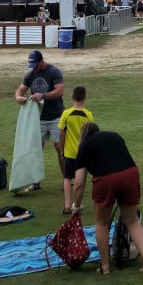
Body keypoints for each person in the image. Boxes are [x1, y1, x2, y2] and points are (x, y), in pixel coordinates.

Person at [70, 121, 143, 275]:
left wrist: (76, 206)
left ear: (83, 135)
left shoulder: (84, 147)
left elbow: (78, 183)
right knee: (132, 221)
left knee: (102, 223)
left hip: (105, 179)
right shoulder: (114, 136)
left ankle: (105, 267)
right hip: (130, 173)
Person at [14, 49, 65, 194]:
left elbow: (60, 91)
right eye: (32, 65)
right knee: (35, 149)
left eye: (36, 64)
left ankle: (67, 179)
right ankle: (34, 181)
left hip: (56, 116)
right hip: (38, 118)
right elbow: (20, 90)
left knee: (60, 149)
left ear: (42, 61)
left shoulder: (54, 72)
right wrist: (19, 98)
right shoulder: (30, 74)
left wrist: (43, 95)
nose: (34, 68)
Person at [58, 86, 94, 214]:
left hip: (69, 152)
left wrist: (62, 149)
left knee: (67, 178)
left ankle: (67, 206)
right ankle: (76, 204)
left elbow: (61, 133)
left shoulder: (66, 114)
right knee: (81, 180)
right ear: (84, 98)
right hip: (83, 153)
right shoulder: (88, 115)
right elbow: (91, 135)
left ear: (72, 97)